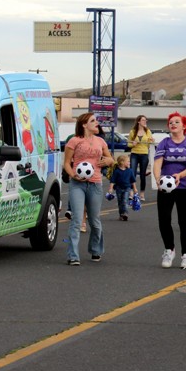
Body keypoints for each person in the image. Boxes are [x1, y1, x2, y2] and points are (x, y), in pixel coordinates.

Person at [63, 112, 115, 265]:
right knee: (77, 219)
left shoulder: (100, 141)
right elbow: (66, 163)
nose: (96, 123)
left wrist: (107, 161)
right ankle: (73, 255)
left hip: (95, 183)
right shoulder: (74, 141)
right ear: (84, 124)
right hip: (77, 184)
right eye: (93, 121)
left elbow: (111, 159)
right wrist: (73, 175)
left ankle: (95, 250)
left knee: (94, 220)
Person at [154, 112, 186, 269]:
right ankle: (169, 250)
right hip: (166, 188)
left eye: (176, 122)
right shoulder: (164, 143)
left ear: (184, 126)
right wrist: (158, 179)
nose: (173, 124)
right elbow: (157, 163)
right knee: (164, 219)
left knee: (184, 222)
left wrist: (179, 175)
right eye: (170, 122)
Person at [128, 115, 155, 201]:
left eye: (145, 120)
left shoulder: (148, 131)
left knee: (143, 175)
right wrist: (133, 144)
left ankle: (142, 194)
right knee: (132, 173)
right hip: (134, 154)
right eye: (143, 120)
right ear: (138, 121)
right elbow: (128, 144)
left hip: (144, 154)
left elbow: (150, 143)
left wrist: (151, 141)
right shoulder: (133, 131)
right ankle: (131, 192)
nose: (145, 121)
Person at [107, 154, 137, 221]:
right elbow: (113, 180)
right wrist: (111, 188)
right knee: (120, 202)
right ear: (122, 162)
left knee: (124, 201)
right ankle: (121, 215)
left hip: (127, 188)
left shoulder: (130, 171)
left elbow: (133, 180)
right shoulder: (116, 171)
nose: (129, 163)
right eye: (128, 161)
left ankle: (125, 213)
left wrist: (134, 188)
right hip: (118, 188)